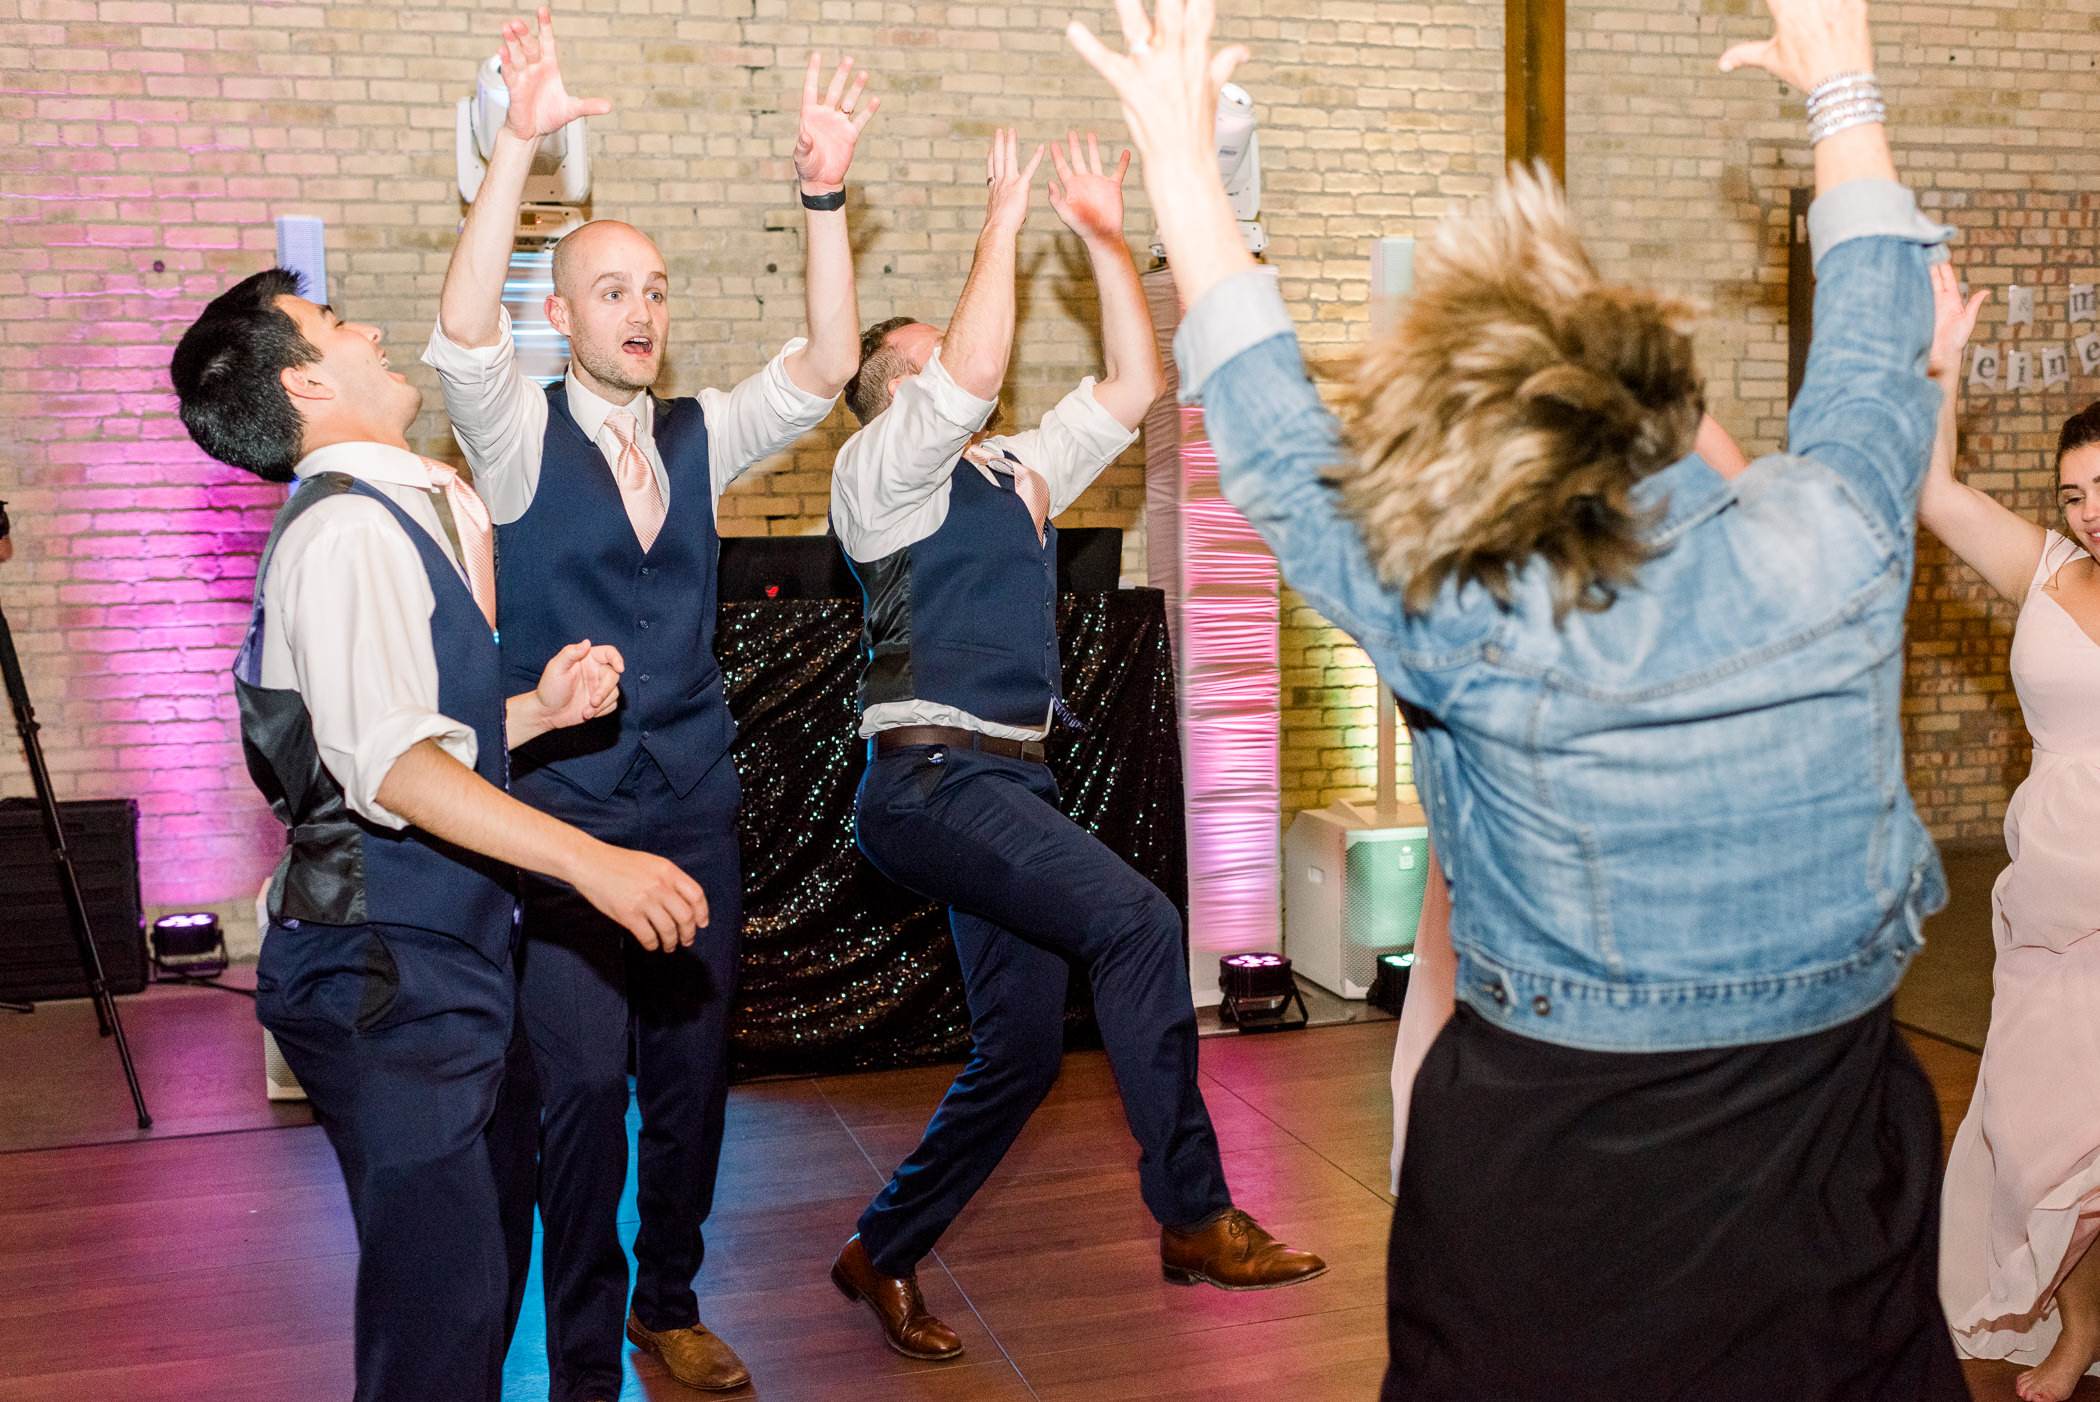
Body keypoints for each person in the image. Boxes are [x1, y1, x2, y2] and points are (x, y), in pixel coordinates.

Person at [1071, 0, 1969, 1395]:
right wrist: (1840, 79)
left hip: (1552, 1192)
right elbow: (1873, 337)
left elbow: (1270, 440)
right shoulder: (1835, 539)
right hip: (1830, 1167)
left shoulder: (1462, 614)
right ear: (1669, 401)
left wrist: (1185, 165)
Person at [419, 11, 878, 1398]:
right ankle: (574, 1356)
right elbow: (454, 331)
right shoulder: (511, 434)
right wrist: (516, 144)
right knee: (577, 1095)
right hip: (559, 813)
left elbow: (833, 357)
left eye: (659, 290)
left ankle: (665, 1298)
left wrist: (822, 196)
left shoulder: (699, 433)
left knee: (685, 1078)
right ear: (561, 316)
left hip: (692, 802)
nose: (644, 310)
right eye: (614, 290)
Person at [824, 125, 1325, 1362]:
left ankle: (878, 1250)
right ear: (898, 392)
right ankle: (1195, 1215)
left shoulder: (1016, 474)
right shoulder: (876, 473)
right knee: (1143, 922)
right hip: (929, 781)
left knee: (1023, 1054)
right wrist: (1003, 216)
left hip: (1008, 784)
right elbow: (968, 372)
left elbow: (1132, 387)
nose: (961, 368)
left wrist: (1108, 242)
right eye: (932, 360)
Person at [170, 268, 705, 1402]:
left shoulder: (383, 513)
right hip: (383, 975)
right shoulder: (351, 531)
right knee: (441, 1320)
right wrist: (592, 860)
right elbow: (395, 771)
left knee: (466, 1283)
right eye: (333, 323)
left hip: (431, 963)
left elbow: (382, 734)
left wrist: (536, 714)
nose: (366, 327)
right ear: (307, 379)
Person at [1920, 265, 2100, 1401]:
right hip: (2054, 903)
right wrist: (1944, 366)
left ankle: (2081, 1334)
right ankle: (2074, 1325)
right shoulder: (2041, 569)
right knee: (2045, 1142)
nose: (2089, 508)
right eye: (2076, 490)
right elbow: (1932, 491)